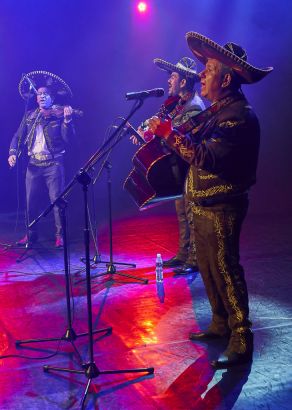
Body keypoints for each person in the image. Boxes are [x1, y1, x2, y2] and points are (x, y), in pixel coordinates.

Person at [148, 32, 273, 368]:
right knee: (207, 267)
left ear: (227, 78)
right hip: (203, 202)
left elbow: (203, 156)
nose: (201, 74)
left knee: (226, 269)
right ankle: (220, 324)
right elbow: (190, 136)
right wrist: (167, 131)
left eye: (209, 70)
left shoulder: (238, 116)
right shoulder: (218, 110)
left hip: (223, 204)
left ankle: (241, 337)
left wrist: (169, 135)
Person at [131, 57, 205, 274]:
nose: (168, 81)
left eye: (172, 76)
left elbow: (172, 132)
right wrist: (144, 128)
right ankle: (184, 254)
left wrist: (154, 130)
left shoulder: (195, 107)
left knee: (191, 214)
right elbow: (159, 121)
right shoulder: (177, 103)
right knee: (182, 212)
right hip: (180, 167)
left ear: (183, 82)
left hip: (192, 167)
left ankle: (194, 259)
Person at [8, 71, 75, 248]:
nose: (42, 96)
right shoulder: (30, 115)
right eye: (40, 94)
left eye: (46, 94)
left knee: (57, 201)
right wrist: (13, 153)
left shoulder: (59, 115)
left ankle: (60, 236)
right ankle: (31, 236)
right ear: (36, 99)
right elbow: (18, 136)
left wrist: (68, 122)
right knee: (30, 202)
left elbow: (69, 140)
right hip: (33, 165)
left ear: (52, 98)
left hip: (54, 164)